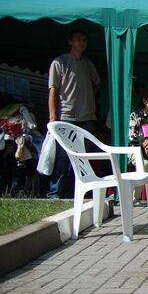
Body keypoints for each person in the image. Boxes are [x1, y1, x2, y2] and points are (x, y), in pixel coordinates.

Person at [47, 28, 101, 199]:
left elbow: (97, 83)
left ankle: (77, 192)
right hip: (66, 117)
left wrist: (88, 98)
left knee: (83, 158)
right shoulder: (59, 63)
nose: (82, 42)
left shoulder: (87, 64)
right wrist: (53, 118)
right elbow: (53, 91)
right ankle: (55, 192)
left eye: (84, 39)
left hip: (87, 117)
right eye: (78, 39)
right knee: (62, 156)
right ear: (70, 42)